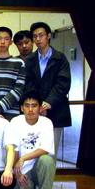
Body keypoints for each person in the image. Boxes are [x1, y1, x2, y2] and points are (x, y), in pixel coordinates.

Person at [24, 21, 71, 156]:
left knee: (50, 154)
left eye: (41, 35)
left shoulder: (60, 58)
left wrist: (48, 103)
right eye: (35, 36)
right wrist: (38, 105)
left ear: (48, 36)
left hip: (55, 111)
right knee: (33, 153)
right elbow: (28, 84)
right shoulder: (30, 60)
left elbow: (63, 84)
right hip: (34, 112)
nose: (38, 39)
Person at [9, 91, 56, 189]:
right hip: (23, 170)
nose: (30, 109)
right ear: (21, 108)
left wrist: (23, 158)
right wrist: (17, 173)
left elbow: (45, 149)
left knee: (47, 160)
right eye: (27, 105)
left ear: (40, 108)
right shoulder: (15, 122)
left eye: (34, 106)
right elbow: (13, 150)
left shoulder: (46, 123)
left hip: (38, 167)